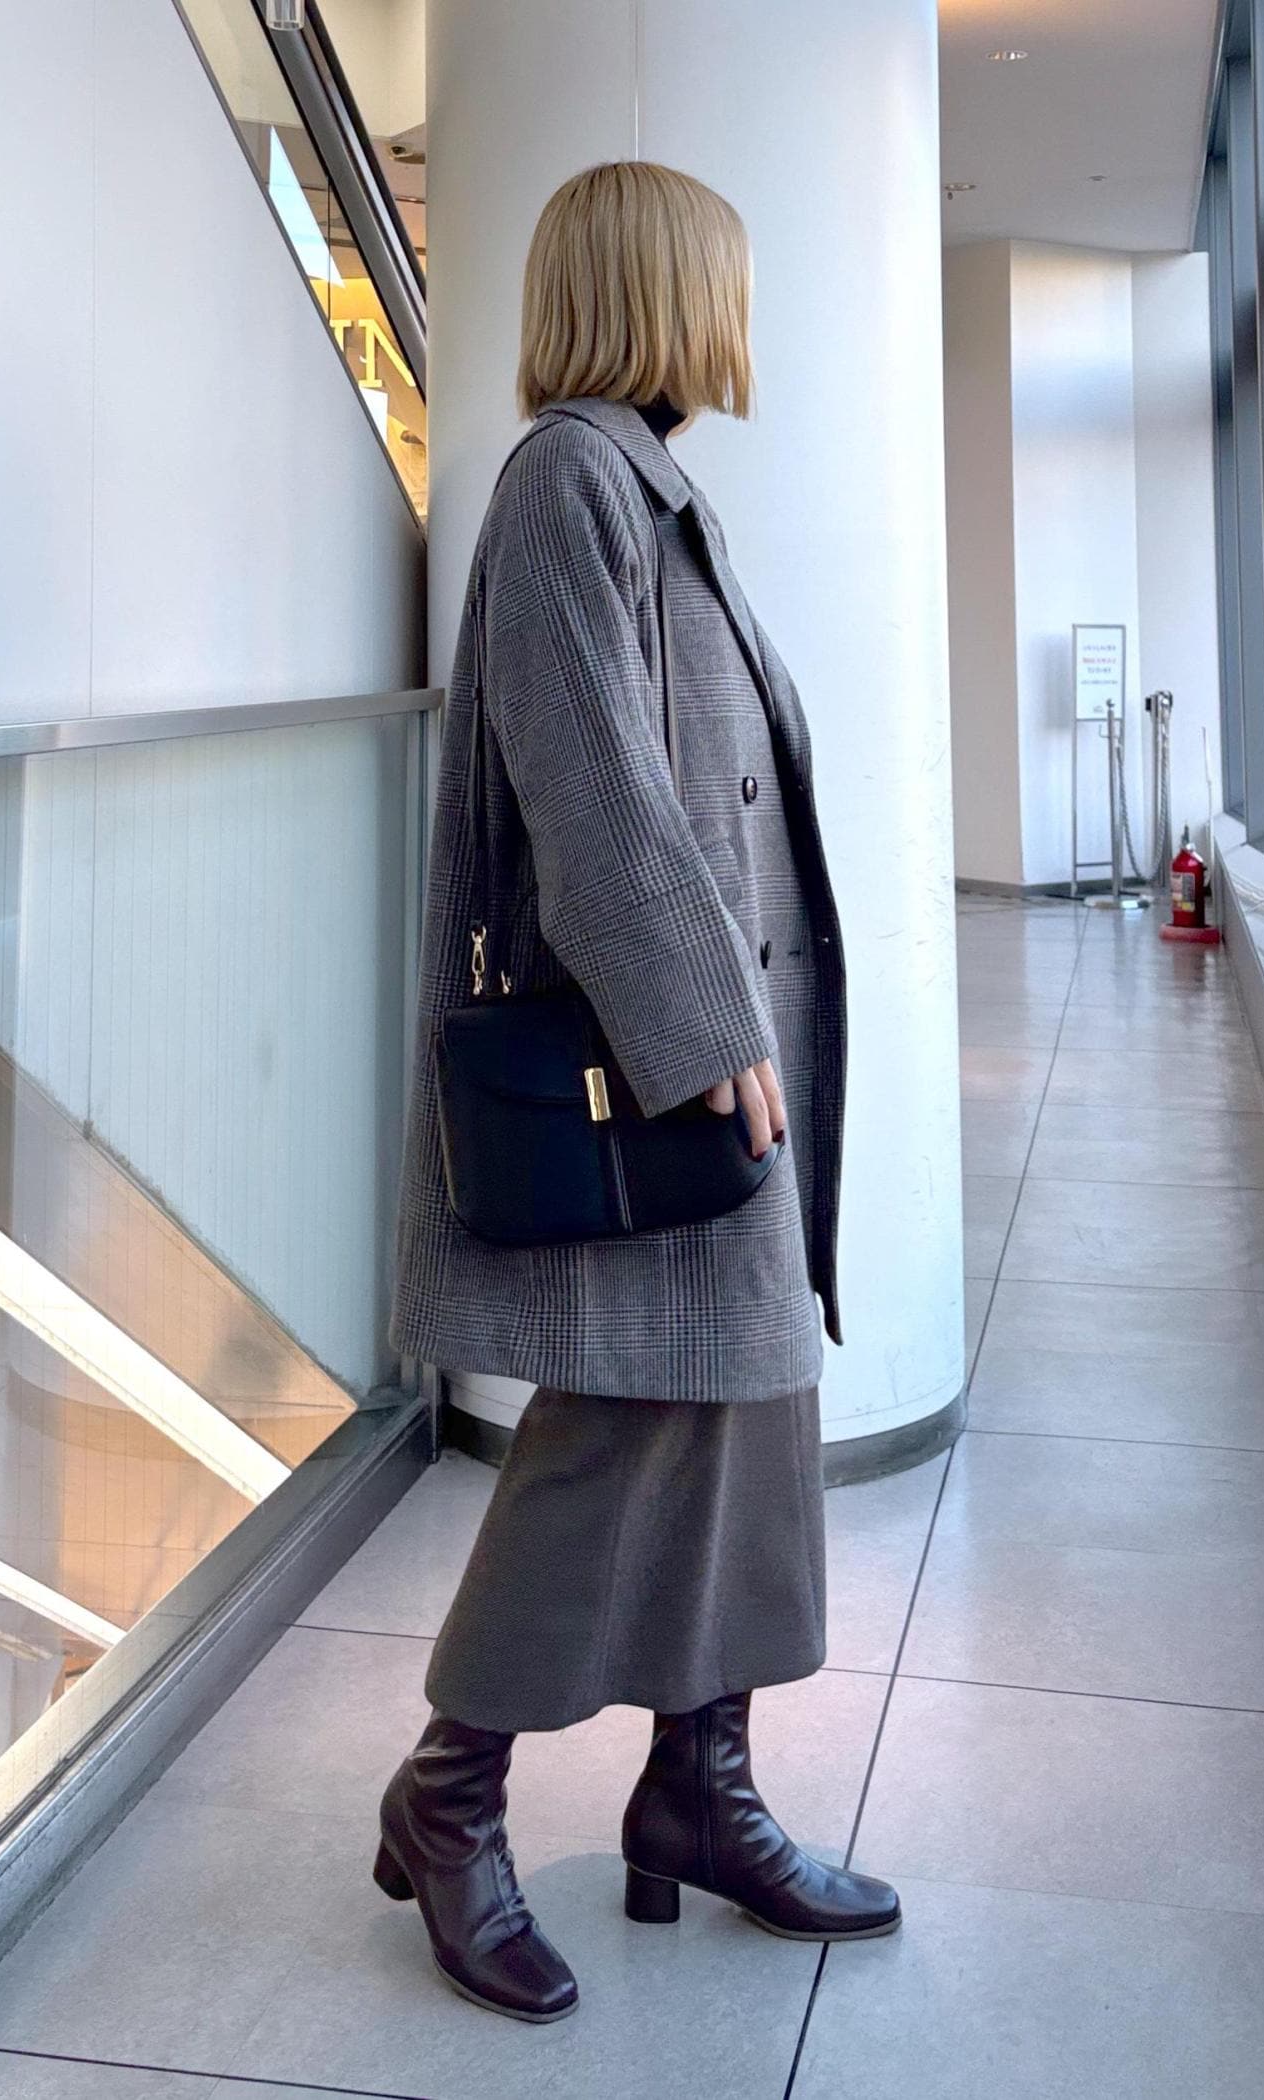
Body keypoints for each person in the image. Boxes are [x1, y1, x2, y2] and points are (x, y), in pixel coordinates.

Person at [383, 159, 899, 2025]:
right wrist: (706, 1029)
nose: (742, 314)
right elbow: (586, 780)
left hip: (702, 1072)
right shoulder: (568, 482)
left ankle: (702, 1786)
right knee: (616, 1430)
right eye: (724, 279)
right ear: (666, 288)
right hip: (657, 1076)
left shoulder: (650, 490)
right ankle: (449, 1796)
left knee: (749, 1411)